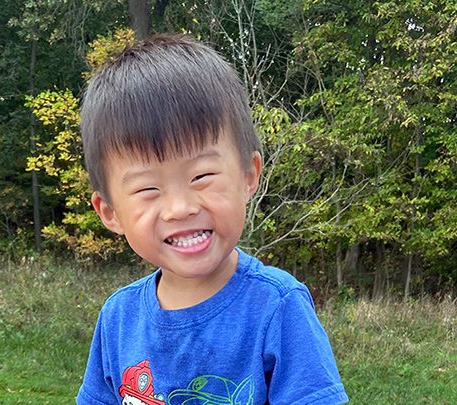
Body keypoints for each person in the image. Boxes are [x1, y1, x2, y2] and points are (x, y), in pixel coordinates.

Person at [77, 33, 348, 405]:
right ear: (109, 212)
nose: (180, 207)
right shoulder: (118, 319)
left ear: (248, 176)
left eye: (201, 176)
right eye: (147, 190)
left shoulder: (276, 307)